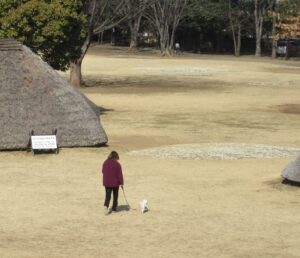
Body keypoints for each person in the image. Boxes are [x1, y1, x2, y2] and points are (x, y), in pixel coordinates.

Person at [102, 151, 124, 215]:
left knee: (108, 195)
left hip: (107, 182)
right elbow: (119, 175)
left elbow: (103, 171)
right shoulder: (117, 164)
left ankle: (106, 206)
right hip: (115, 183)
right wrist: (121, 183)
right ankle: (114, 208)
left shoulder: (105, 162)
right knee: (115, 195)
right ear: (115, 157)